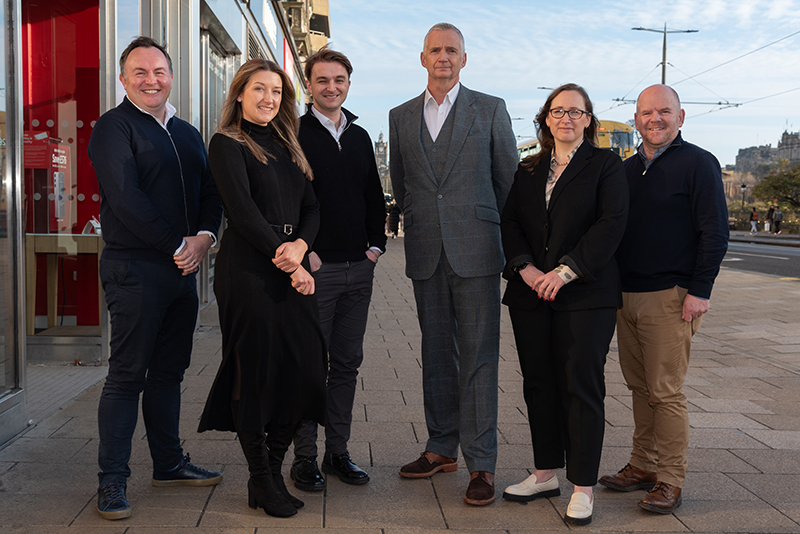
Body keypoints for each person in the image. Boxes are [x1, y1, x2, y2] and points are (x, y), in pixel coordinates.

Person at [87, 36, 224, 520]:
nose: (151, 80)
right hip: (135, 270)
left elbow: (211, 189)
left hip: (183, 271)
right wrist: (177, 245)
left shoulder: (186, 132)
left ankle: (167, 463)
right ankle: (112, 482)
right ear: (123, 80)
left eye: (159, 71)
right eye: (140, 72)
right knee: (127, 377)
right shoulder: (113, 128)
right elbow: (126, 199)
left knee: (169, 374)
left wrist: (205, 236)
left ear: (171, 76)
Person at [388, 22, 517, 506]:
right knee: (438, 355)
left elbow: (506, 183)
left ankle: (481, 462)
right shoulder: (400, 117)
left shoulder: (490, 109)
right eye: (435, 50)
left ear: (465, 58)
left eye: (452, 50)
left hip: (478, 252)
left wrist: (502, 243)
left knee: (480, 359)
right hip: (426, 253)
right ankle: (441, 447)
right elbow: (402, 186)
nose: (443, 58)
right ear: (422, 58)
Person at [197, 59, 327, 518]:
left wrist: (301, 245)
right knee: (254, 374)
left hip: (289, 259)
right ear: (239, 94)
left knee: (306, 369)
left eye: (276, 91)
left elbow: (313, 207)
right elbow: (244, 213)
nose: (268, 98)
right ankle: (261, 478)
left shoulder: (291, 143)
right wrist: (291, 262)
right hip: (249, 269)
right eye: (259, 89)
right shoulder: (227, 143)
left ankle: (270, 471)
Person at [499, 84, 628, 525]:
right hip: (531, 293)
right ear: (546, 119)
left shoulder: (607, 165)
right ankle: (544, 473)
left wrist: (565, 271)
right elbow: (511, 221)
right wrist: (527, 269)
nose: (567, 119)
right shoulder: (529, 168)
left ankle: (583, 486)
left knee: (581, 386)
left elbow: (611, 225)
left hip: (585, 296)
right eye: (558, 111)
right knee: (538, 384)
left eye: (576, 112)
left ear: (589, 120)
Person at [599, 85, 728, 514]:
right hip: (625, 296)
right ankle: (642, 466)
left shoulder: (699, 163)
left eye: (664, 112)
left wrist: (700, 291)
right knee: (639, 387)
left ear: (681, 116)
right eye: (647, 113)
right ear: (635, 119)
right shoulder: (625, 169)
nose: (655, 120)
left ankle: (671, 479)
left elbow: (715, 232)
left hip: (670, 297)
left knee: (666, 391)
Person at [289, 48, 387, 491]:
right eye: (323, 80)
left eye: (340, 80)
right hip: (316, 270)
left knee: (347, 364)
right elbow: (287, 199)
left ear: (349, 84)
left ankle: (337, 452)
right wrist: (304, 250)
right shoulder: (293, 132)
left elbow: (372, 195)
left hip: (358, 269)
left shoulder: (361, 135)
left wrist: (375, 246)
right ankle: (303, 457)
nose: (332, 87)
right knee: (311, 364)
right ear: (308, 84)